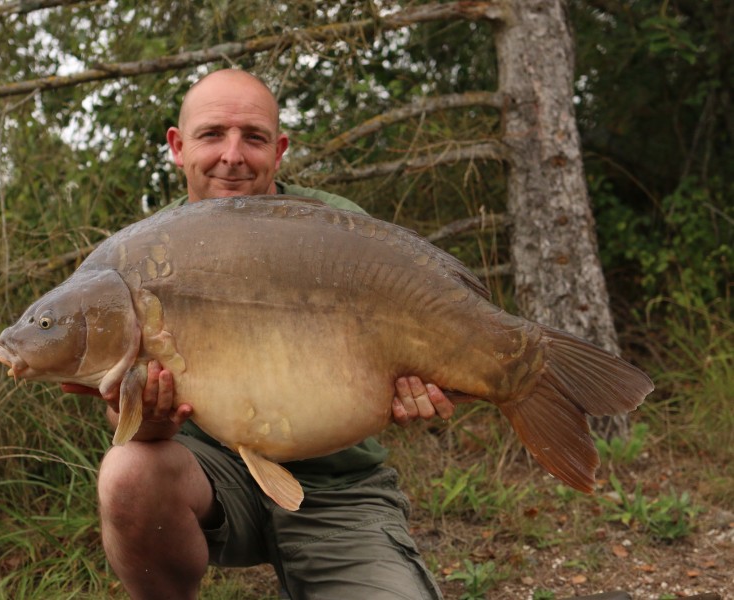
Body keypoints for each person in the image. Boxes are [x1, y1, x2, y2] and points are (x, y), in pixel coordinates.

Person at [71, 69, 455, 599]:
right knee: (127, 471)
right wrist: (148, 418)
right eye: (212, 135)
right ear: (178, 148)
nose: (232, 155)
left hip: (339, 489)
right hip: (212, 477)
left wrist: (418, 386)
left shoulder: (334, 228)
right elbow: (131, 424)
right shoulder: (142, 257)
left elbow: (412, 348)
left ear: (279, 150)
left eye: (252, 137)